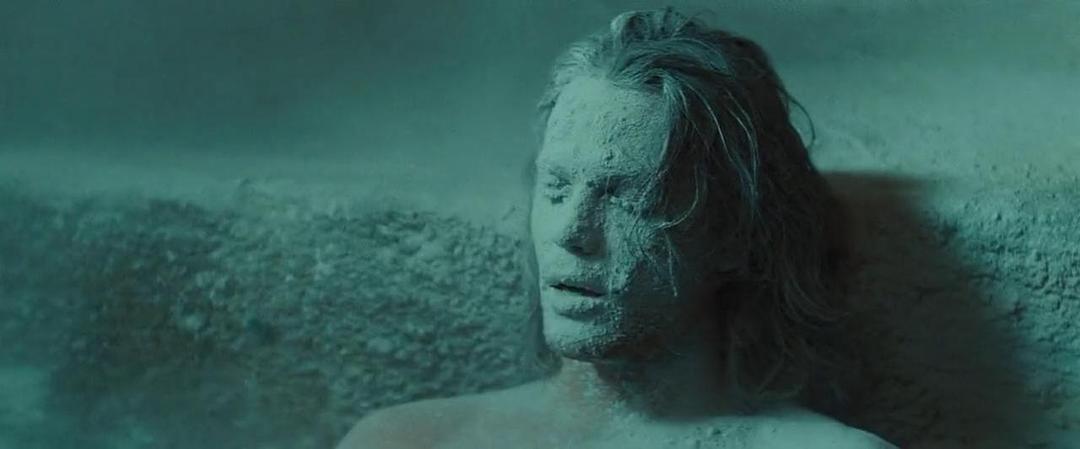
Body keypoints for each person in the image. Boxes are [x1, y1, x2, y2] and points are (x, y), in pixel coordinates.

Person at [337, 8, 897, 448]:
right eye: (556, 189)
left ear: (734, 235)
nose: (572, 232)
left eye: (630, 199)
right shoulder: (402, 442)